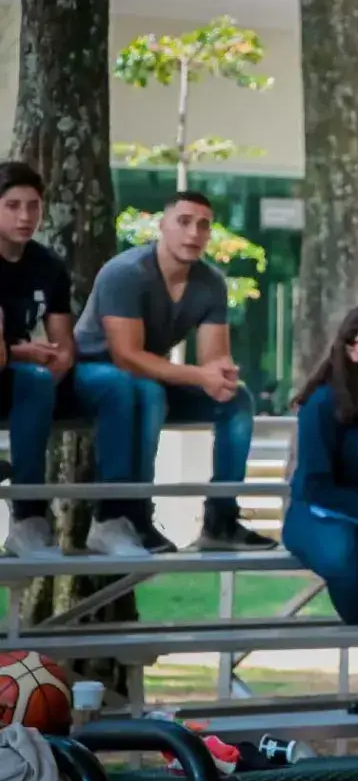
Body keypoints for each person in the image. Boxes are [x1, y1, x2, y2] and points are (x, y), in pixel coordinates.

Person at [72, 190, 273, 556]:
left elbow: (213, 360)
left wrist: (221, 376)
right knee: (146, 391)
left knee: (237, 400)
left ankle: (221, 520)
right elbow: (127, 357)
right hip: (93, 374)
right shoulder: (126, 272)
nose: (194, 233)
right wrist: (201, 376)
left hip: (148, 378)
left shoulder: (211, 282)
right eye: (184, 222)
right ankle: (127, 517)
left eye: (203, 225)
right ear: (162, 225)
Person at [280, 305, 358, 698]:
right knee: (341, 552)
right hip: (318, 513)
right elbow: (315, 486)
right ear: (352, 351)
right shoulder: (324, 403)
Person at [0, 162, 104, 558]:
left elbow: (64, 344)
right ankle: (28, 513)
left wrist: (57, 361)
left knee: (117, 387)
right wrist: (21, 352)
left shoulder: (47, 265)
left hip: (24, 376)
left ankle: (120, 516)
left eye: (33, 206)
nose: (25, 217)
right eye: (12, 206)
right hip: (15, 368)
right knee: (34, 380)